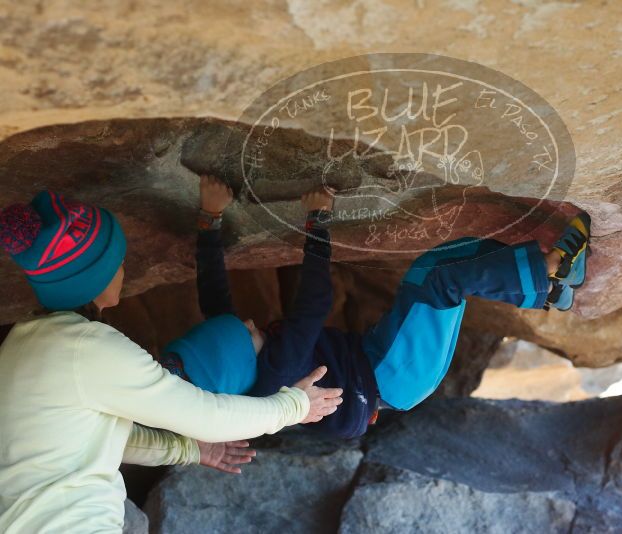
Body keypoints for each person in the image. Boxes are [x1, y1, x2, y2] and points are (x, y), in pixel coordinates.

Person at [0, 190, 343, 534]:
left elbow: (110, 438)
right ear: (95, 276)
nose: (123, 268)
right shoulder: (87, 349)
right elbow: (208, 416)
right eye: (117, 260)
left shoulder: (22, 345)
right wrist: (295, 406)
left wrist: (186, 450)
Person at [156, 175, 591, 439]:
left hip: (377, 362)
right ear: (246, 357)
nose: (251, 321)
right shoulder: (280, 366)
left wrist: (209, 220)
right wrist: (317, 222)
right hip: (393, 375)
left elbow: (214, 293)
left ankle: (552, 291)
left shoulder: (240, 369)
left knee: (433, 265)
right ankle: (555, 266)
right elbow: (314, 301)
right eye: (248, 332)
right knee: (442, 284)